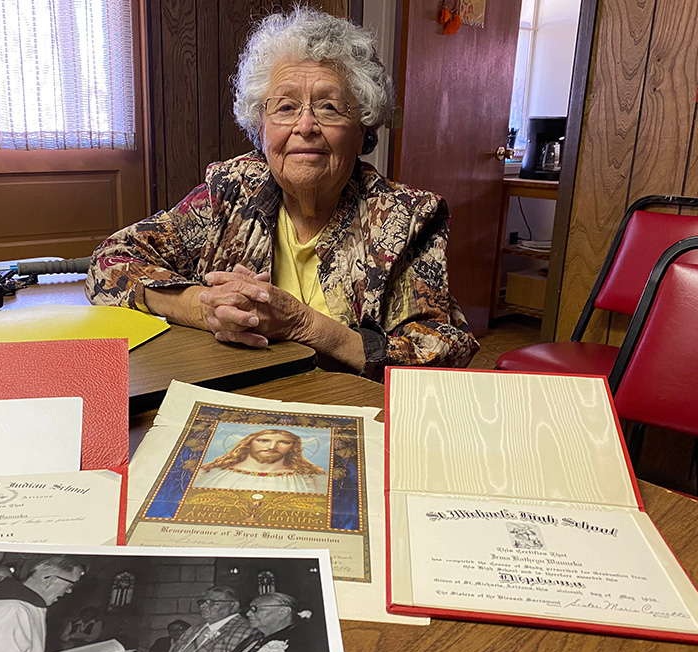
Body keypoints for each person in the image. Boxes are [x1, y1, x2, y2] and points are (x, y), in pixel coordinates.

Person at [86, 7, 478, 382]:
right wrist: (201, 307)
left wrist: (304, 325)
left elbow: (442, 351)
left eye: (329, 107)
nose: (305, 125)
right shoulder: (233, 190)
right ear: (261, 127)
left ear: (362, 129)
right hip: (236, 391)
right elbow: (111, 261)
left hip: (353, 409)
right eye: (286, 107)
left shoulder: (405, 217)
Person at [206, 593, 330, 652]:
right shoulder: (253, 640)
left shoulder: (302, 644)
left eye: (256, 609)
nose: (248, 613)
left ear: (283, 612)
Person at [145, 587, 258, 652]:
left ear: (233, 606)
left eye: (212, 602)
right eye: (202, 602)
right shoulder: (193, 630)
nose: (203, 606)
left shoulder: (246, 632)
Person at [192, 429, 327, 494]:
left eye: (284, 442)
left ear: (293, 448)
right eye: (263, 440)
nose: (272, 447)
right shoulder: (208, 473)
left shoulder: (313, 479)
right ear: (248, 444)